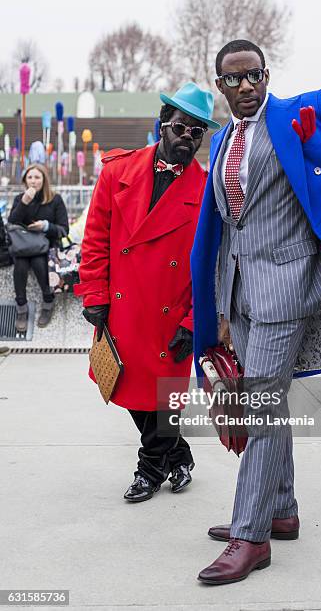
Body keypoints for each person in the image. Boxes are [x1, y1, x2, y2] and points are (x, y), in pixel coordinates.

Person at [191, 39, 321, 584]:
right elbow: (223, 229)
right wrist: (215, 303)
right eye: (233, 80)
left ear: (267, 75)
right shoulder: (220, 142)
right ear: (219, 86)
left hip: (287, 289)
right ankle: (281, 510)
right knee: (269, 404)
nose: (245, 87)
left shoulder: (294, 117)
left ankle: (250, 536)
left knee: (258, 410)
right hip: (240, 292)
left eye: (254, 76)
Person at [75, 83, 220, 503]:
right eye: (180, 128)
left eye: (197, 132)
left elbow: (210, 266)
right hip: (122, 309)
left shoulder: (206, 191)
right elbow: (96, 238)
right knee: (131, 391)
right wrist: (94, 294)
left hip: (170, 314)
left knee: (163, 401)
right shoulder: (117, 172)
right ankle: (179, 456)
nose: (187, 138)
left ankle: (149, 469)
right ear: (162, 125)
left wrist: (195, 322)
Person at [8, 163, 68, 331]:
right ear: (25, 180)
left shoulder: (55, 199)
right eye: (30, 177)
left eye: (37, 177)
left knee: (38, 262)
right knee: (20, 266)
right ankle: (21, 308)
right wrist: (24, 203)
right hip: (23, 245)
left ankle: (48, 301)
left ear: (44, 180)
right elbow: (12, 222)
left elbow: (64, 229)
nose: (33, 181)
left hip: (47, 246)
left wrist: (46, 226)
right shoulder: (20, 198)